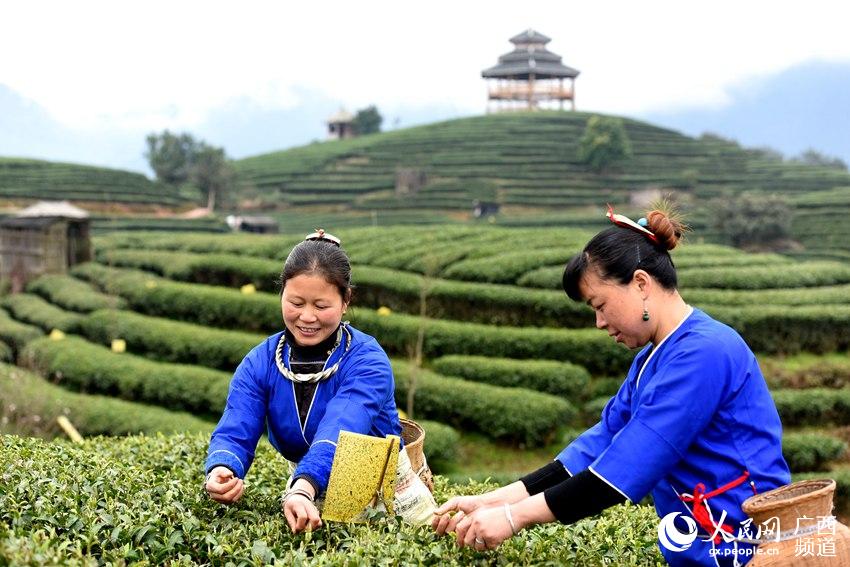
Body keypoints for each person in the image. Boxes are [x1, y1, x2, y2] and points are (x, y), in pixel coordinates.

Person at [432, 206, 791, 566]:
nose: (599, 322)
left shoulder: (705, 352)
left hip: (749, 545)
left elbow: (626, 465)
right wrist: (499, 500)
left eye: (600, 305)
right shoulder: (652, 359)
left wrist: (515, 518)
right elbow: (600, 443)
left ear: (640, 283)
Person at [204, 230, 436, 532]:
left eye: (321, 306)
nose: (307, 317)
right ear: (281, 295)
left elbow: (342, 428)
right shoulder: (261, 361)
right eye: (296, 303)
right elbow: (237, 425)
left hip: (383, 499)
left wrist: (302, 488)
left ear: (345, 300)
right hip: (303, 493)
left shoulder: (367, 360)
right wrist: (222, 469)